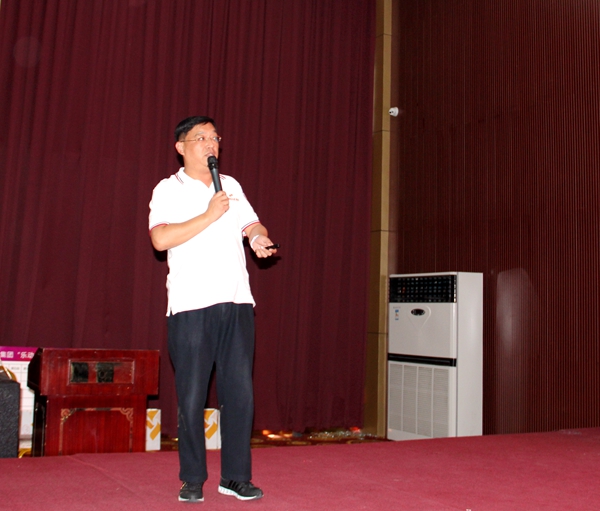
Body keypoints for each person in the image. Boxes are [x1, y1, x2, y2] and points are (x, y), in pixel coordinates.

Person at [148, 116, 277, 503]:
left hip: (237, 303)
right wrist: (209, 214)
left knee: (240, 396)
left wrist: (258, 239)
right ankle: (192, 478)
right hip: (191, 306)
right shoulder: (167, 189)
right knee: (191, 397)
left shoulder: (231, 186)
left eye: (214, 137)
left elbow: (253, 225)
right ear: (181, 147)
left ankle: (236, 477)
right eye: (201, 137)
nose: (210, 143)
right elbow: (160, 239)